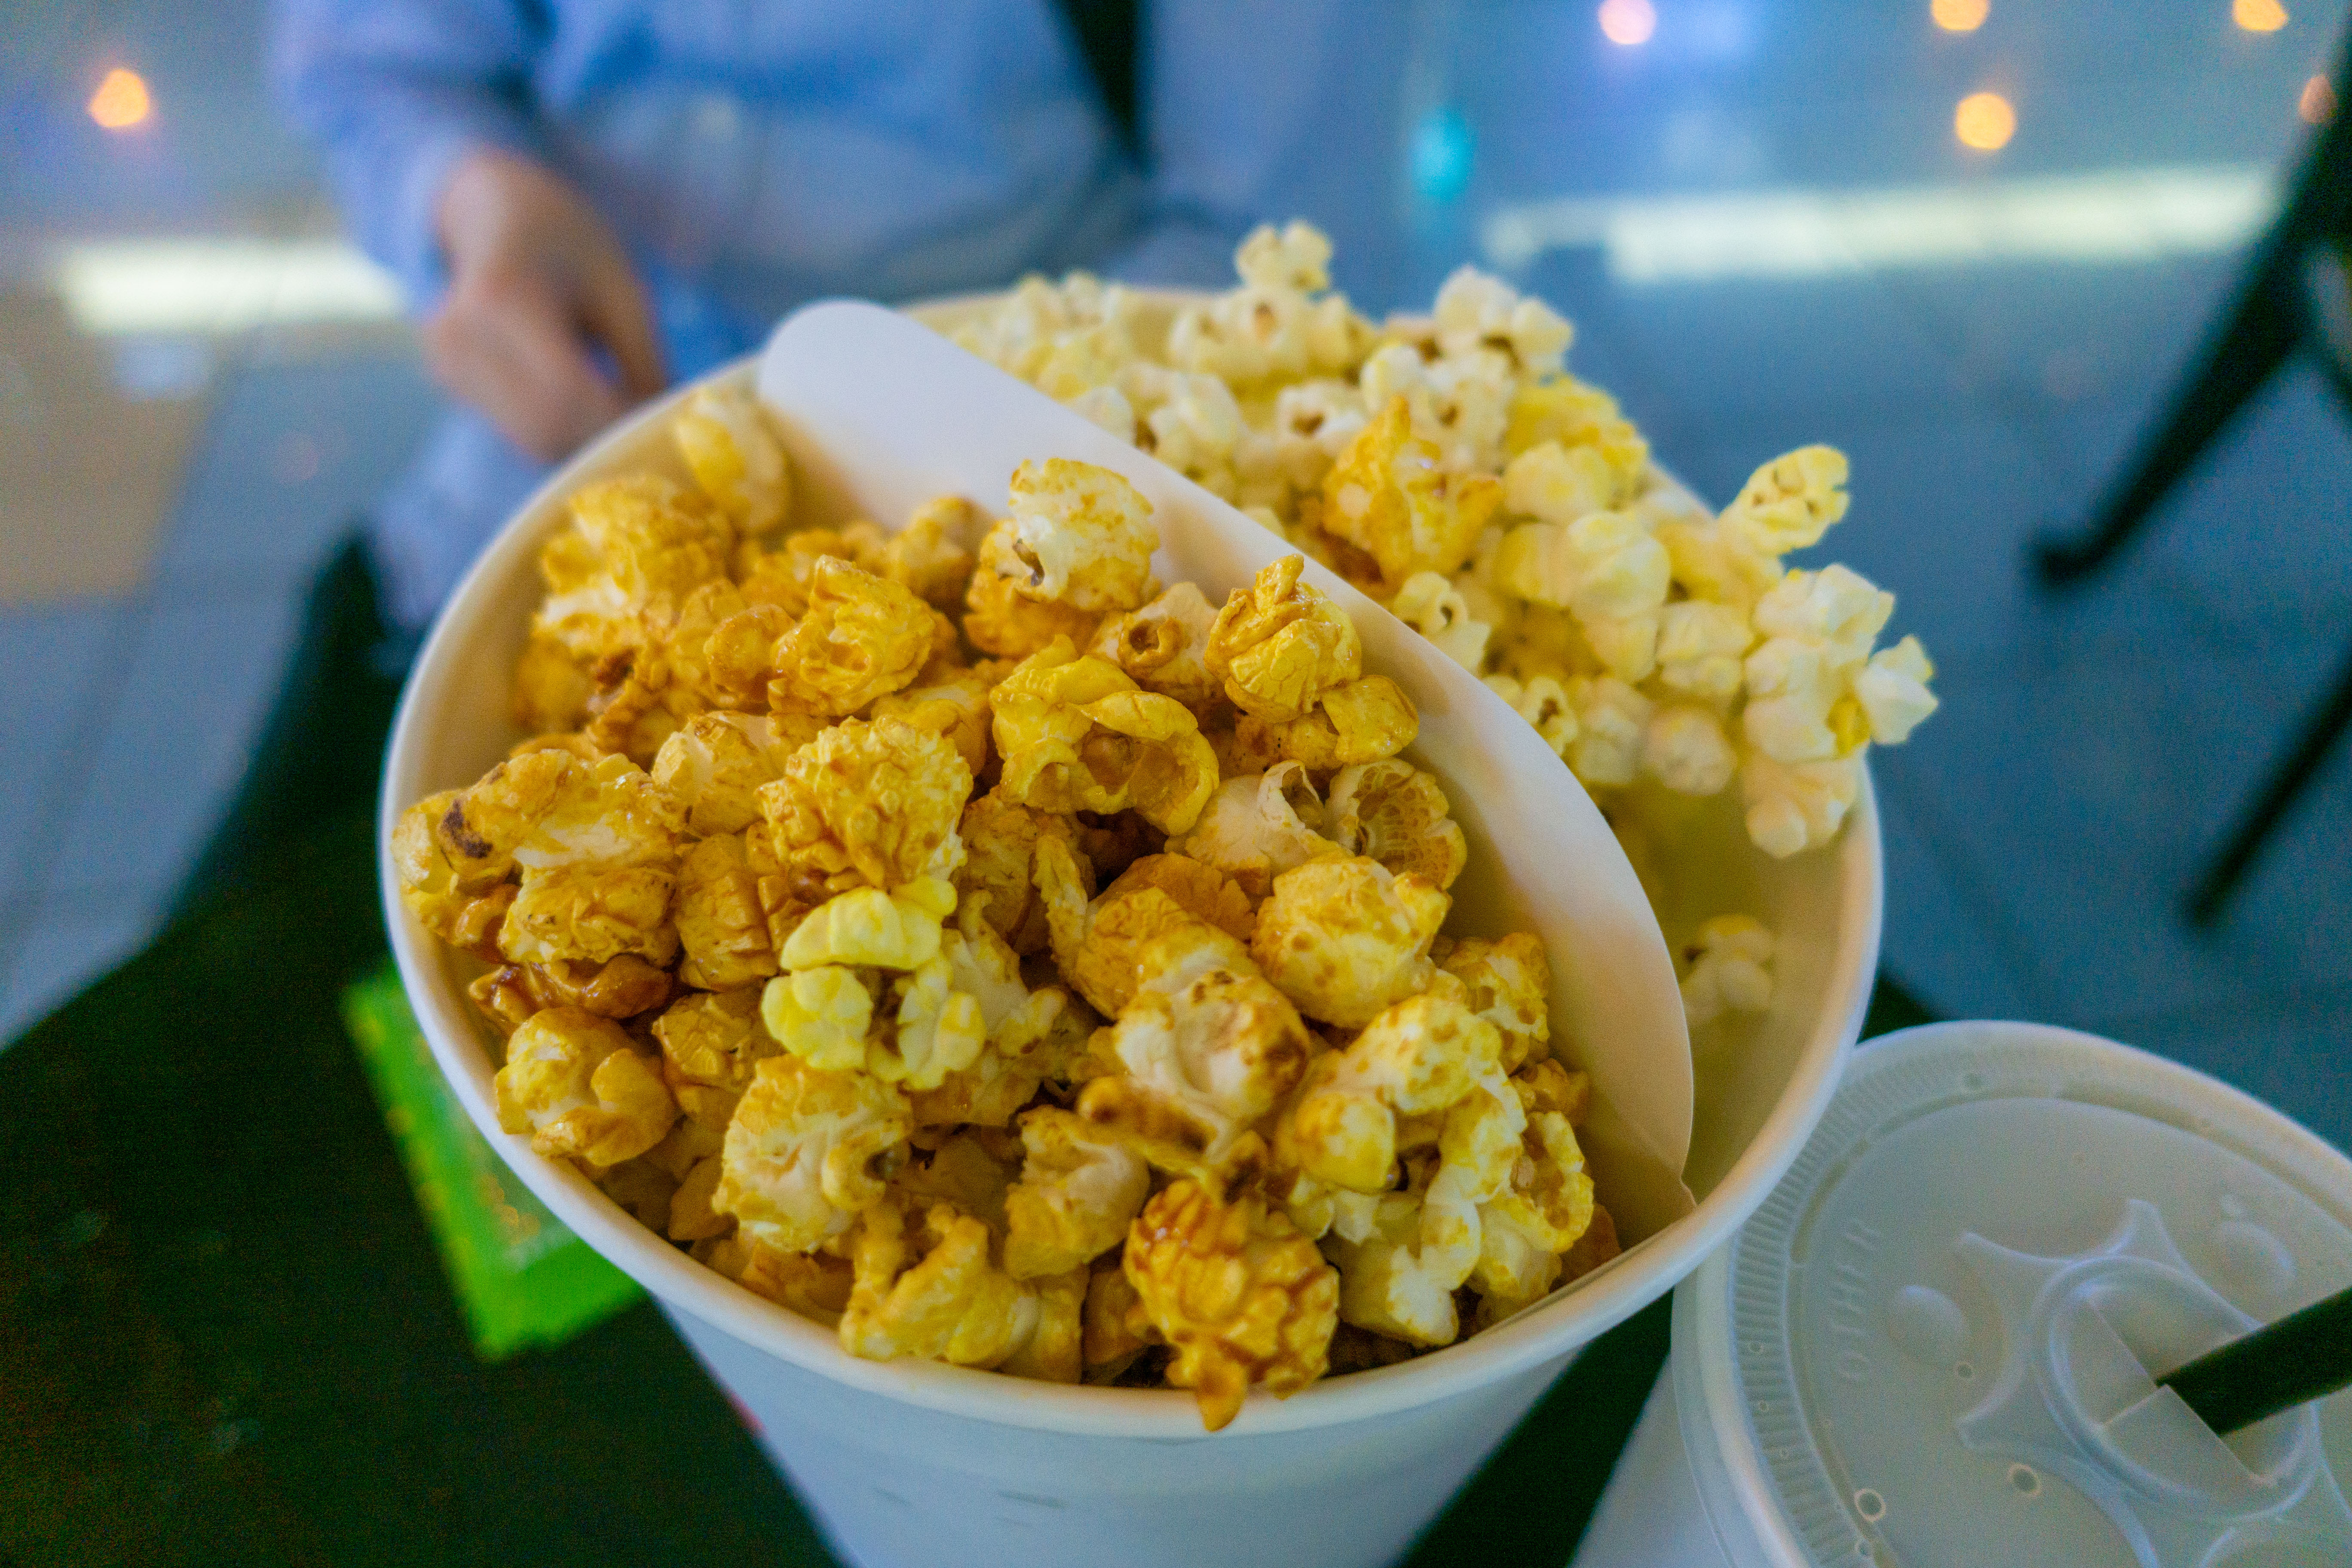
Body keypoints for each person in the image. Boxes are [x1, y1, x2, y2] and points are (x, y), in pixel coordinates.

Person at [273, 0, 1296, 634]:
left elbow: (1260, 233)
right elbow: (374, 60)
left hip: (1021, 518)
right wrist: (475, 192)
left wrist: (1007, 424)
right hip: (519, 493)